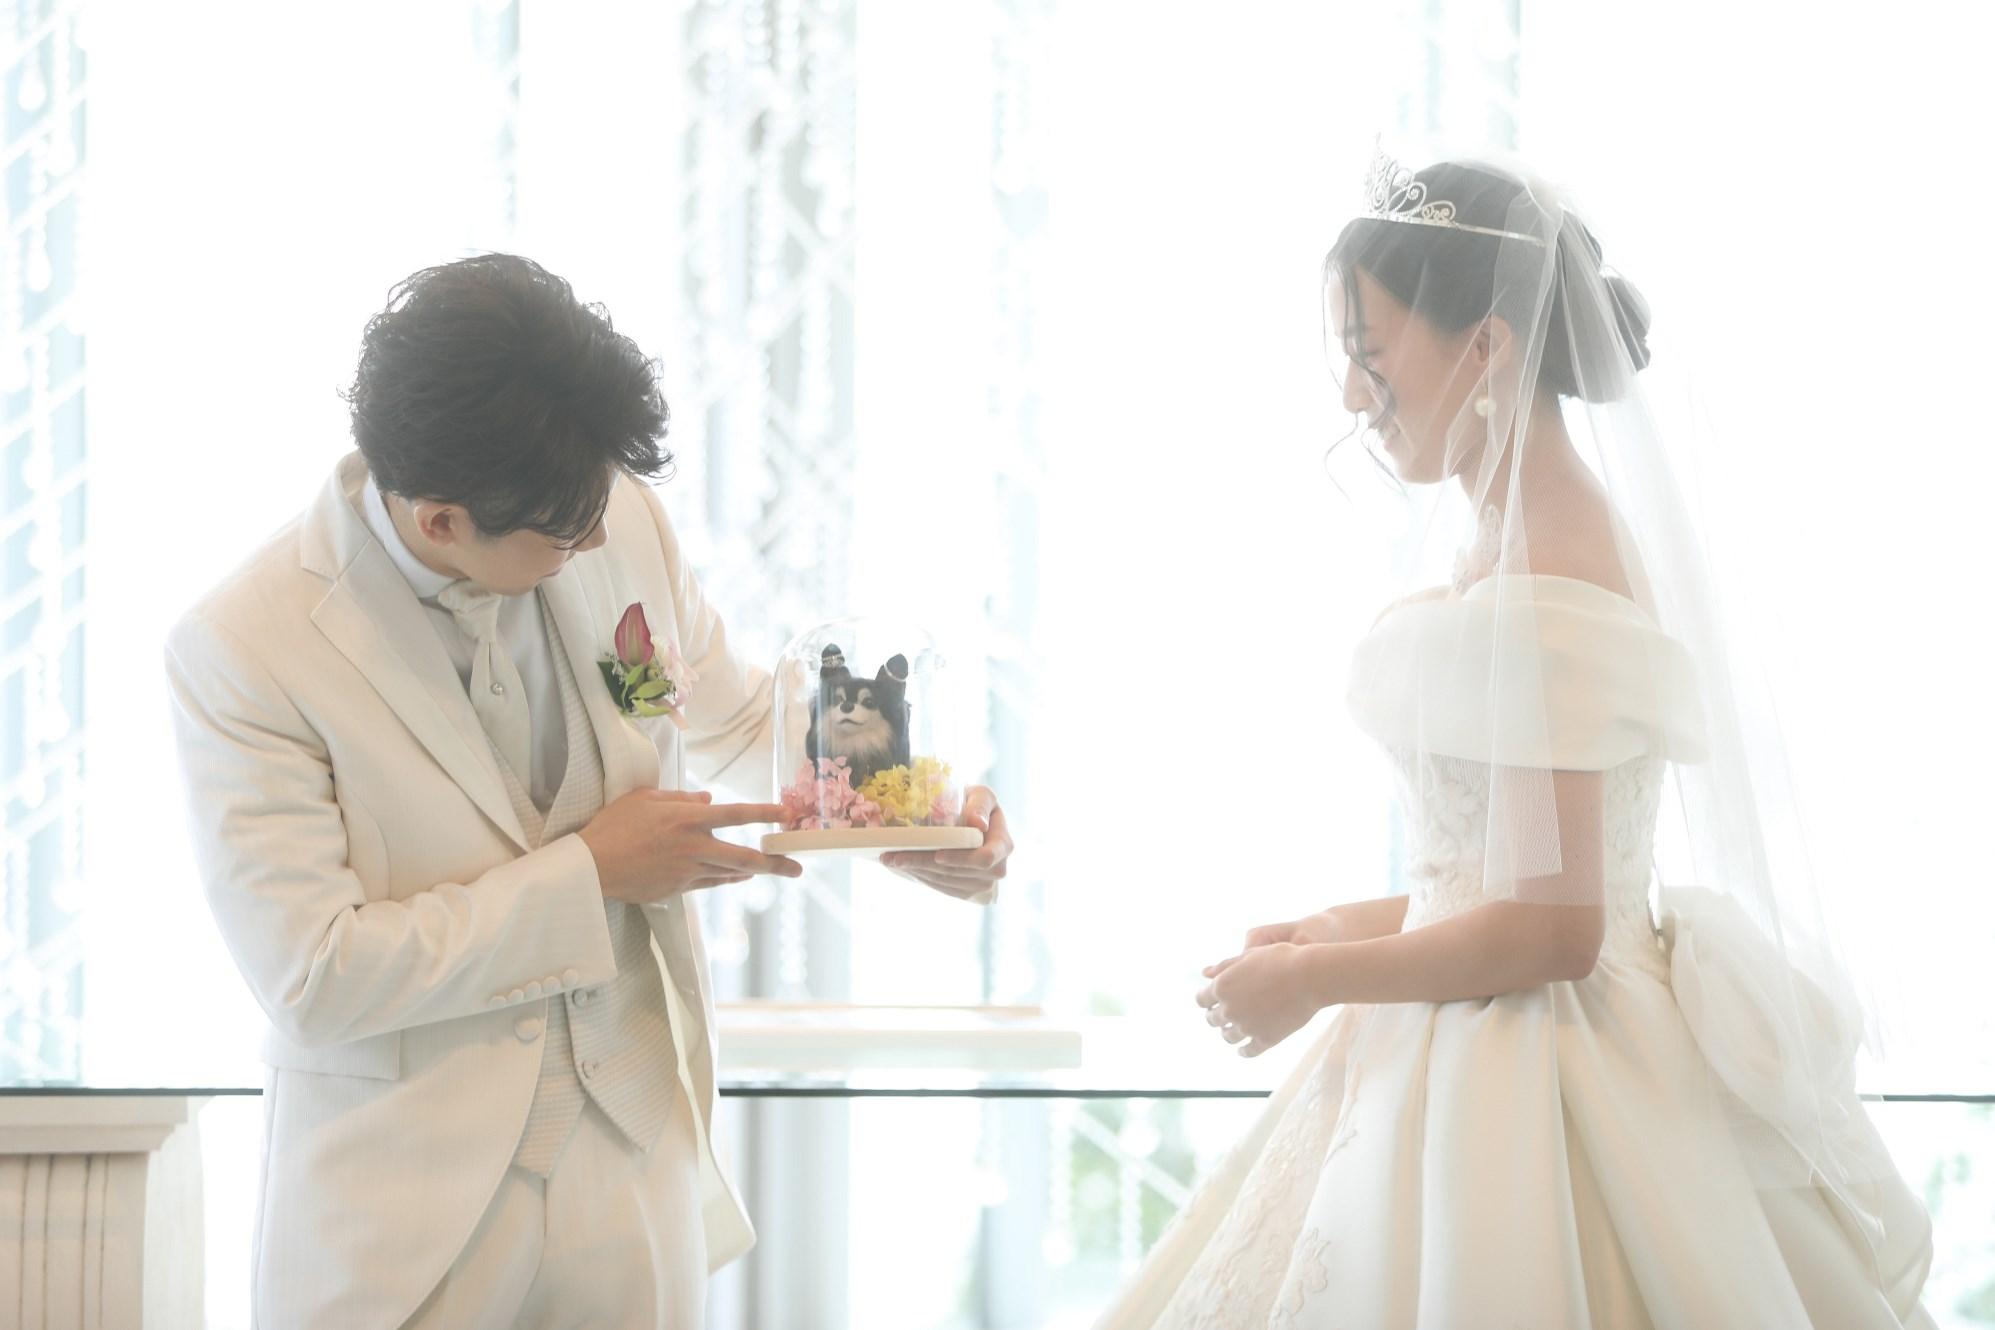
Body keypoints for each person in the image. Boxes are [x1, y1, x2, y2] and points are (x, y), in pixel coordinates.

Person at [1095, 148, 1935, 1328]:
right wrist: (1342, 924)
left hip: (1543, 1069)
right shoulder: (1512, 539)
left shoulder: (1551, 570)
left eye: (1371, 355)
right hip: (1477, 1028)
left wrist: (1315, 981)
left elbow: (1551, 929)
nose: (1354, 398)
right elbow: (1513, 876)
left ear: (1485, 346)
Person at [163, 254, 1013, 1328]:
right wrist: (593, 874)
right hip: (404, 1212)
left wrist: (908, 819)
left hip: (633, 1156)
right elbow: (315, 975)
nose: (600, 539)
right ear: (440, 521)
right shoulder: (243, 645)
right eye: (565, 537)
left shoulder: (611, 513)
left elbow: (736, 721)